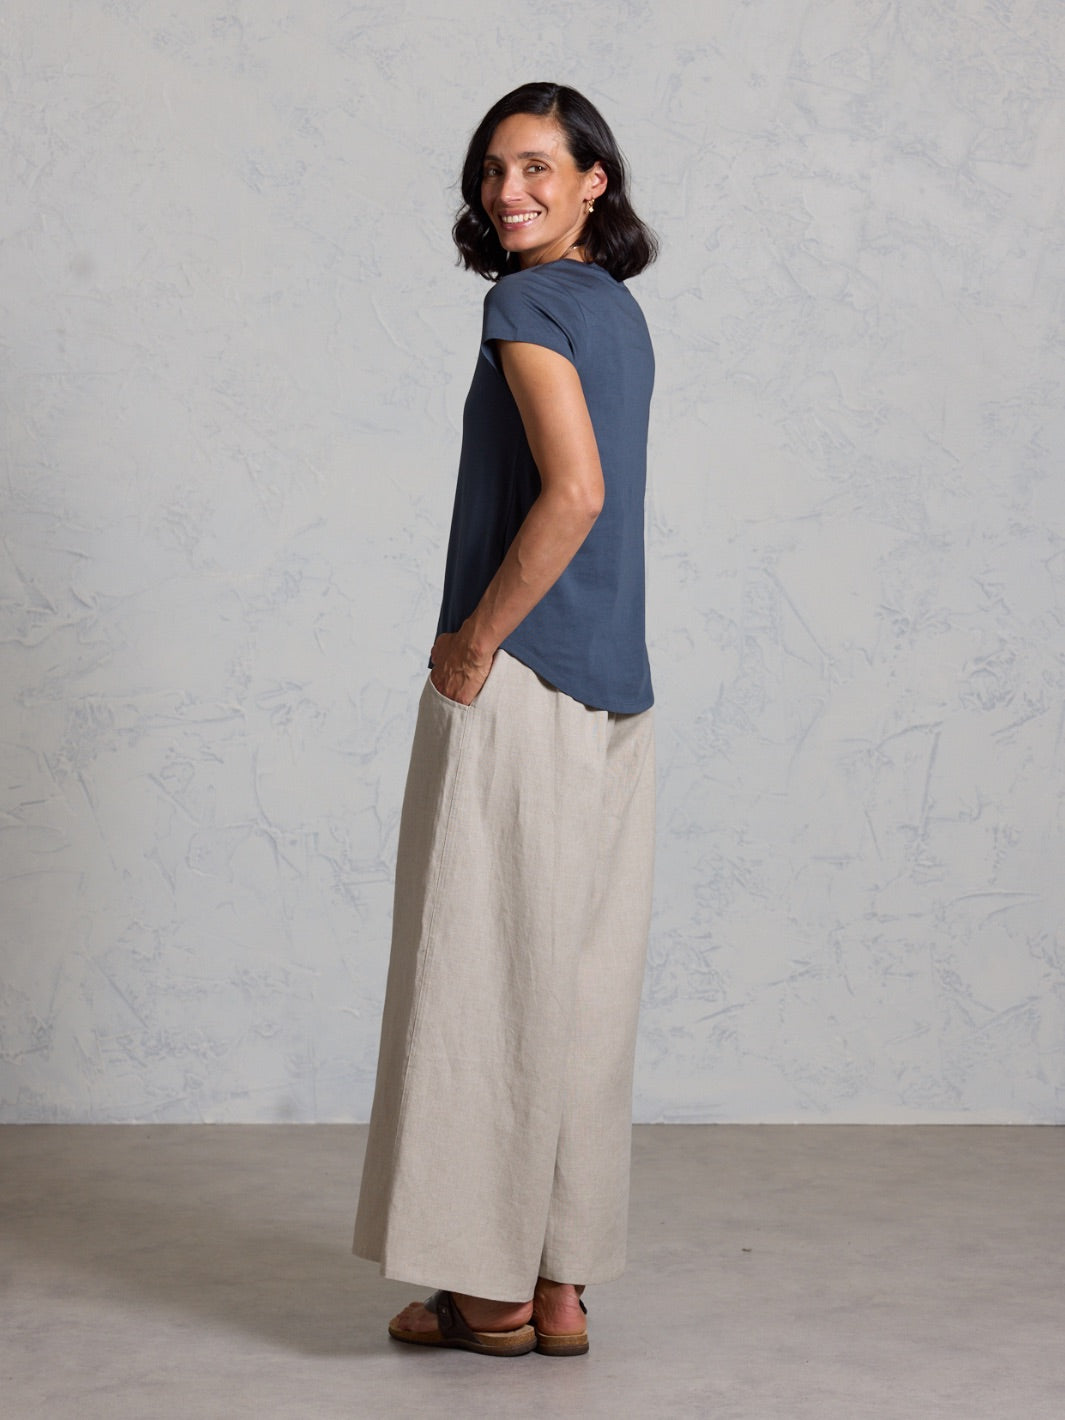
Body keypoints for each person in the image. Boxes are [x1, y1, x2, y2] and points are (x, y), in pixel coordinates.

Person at [353, 81, 658, 1358]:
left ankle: (486, 1291)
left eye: (537, 165)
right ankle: (564, 1279)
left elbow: (573, 493)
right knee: (582, 990)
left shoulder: (524, 302)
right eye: (491, 170)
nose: (507, 191)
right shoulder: (618, 313)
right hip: (619, 689)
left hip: (526, 680)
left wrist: (474, 641)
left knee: (483, 978)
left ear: (596, 179)